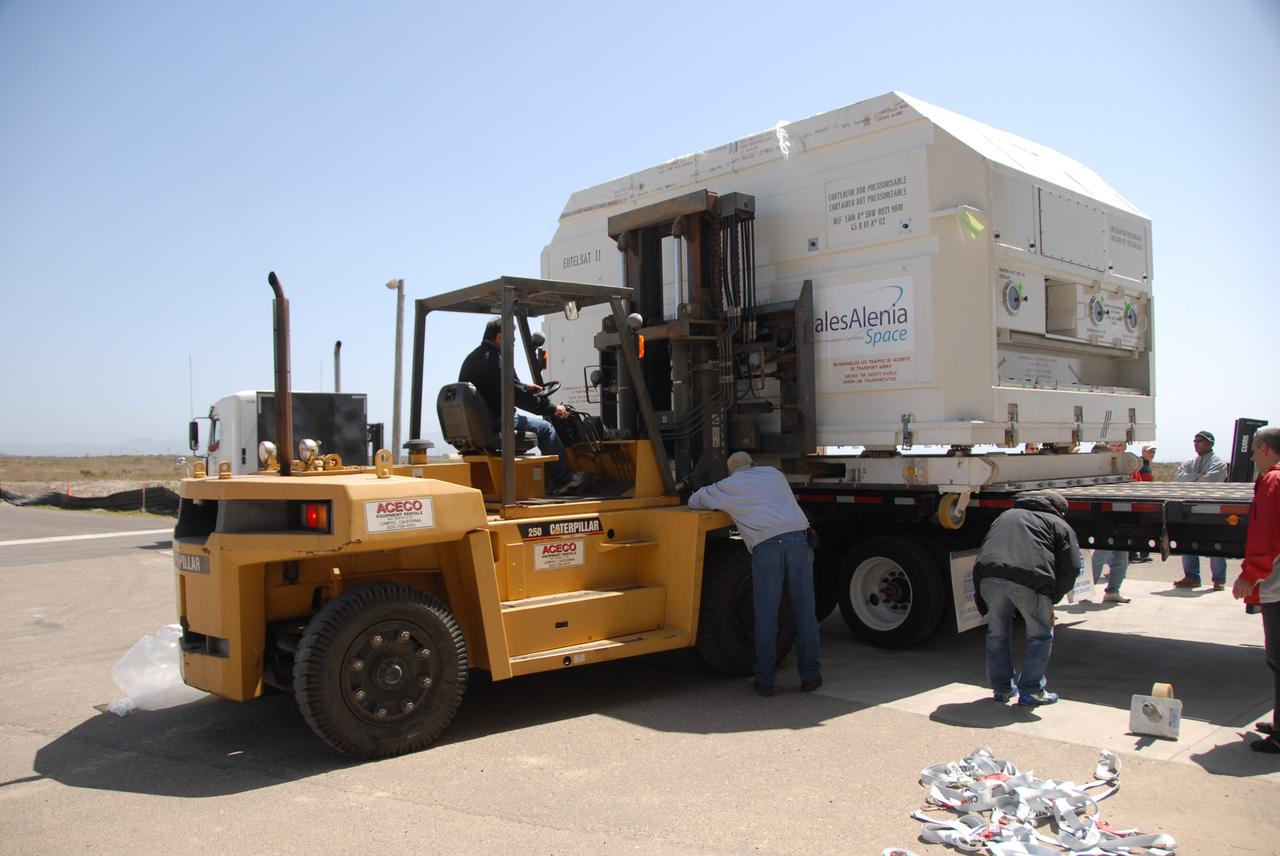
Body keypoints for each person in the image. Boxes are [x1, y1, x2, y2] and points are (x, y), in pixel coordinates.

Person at [688, 451, 821, 697]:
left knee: (766, 616)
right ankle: (810, 676)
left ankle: (766, 681)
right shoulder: (774, 475)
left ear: (731, 470)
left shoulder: (728, 487)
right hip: (800, 539)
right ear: (753, 464)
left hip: (768, 545)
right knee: (805, 612)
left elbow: (695, 501)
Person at [972, 490, 1081, 706]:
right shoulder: (1057, 523)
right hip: (1029, 580)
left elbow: (987, 547)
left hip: (988, 575)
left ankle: (1001, 689)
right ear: (1059, 510)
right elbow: (1072, 567)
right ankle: (1031, 690)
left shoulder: (1006, 516)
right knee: (1040, 635)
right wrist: (1053, 597)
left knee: (997, 635)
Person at [459, 319, 585, 495]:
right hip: (498, 419)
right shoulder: (498, 359)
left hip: (481, 421)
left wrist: (525, 386)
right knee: (547, 428)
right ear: (500, 337)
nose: (513, 344)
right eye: (511, 340)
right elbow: (515, 396)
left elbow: (498, 386)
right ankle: (564, 480)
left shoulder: (474, 358)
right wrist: (552, 409)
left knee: (541, 425)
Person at [1230, 425, 1280, 754]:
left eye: (1253, 450)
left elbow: (1267, 537)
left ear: (1263, 449)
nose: (1250, 456)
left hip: (1277, 584)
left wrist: (1249, 576)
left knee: (1278, 658)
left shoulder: (1273, 481)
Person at [1173, 430, 1229, 590]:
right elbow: (1178, 477)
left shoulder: (1218, 462)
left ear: (1210, 443)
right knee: (1188, 540)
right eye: (1195, 440)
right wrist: (1199, 476)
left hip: (1212, 508)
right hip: (1191, 507)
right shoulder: (1190, 462)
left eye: (1200, 440)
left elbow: (1209, 482)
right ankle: (1192, 577)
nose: (1196, 443)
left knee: (1215, 543)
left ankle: (1219, 580)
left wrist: (1192, 478)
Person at [1130, 444, 1156, 562]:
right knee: (1137, 527)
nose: (1152, 454)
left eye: (1153, 452)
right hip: (1140, 500)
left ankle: (1141, 554)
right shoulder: (1139, 464)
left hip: (1145, 499)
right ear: (1143, 451)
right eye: (1150, 451)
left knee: (1143, 527)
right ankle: (1134, 553)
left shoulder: (1147, 464)